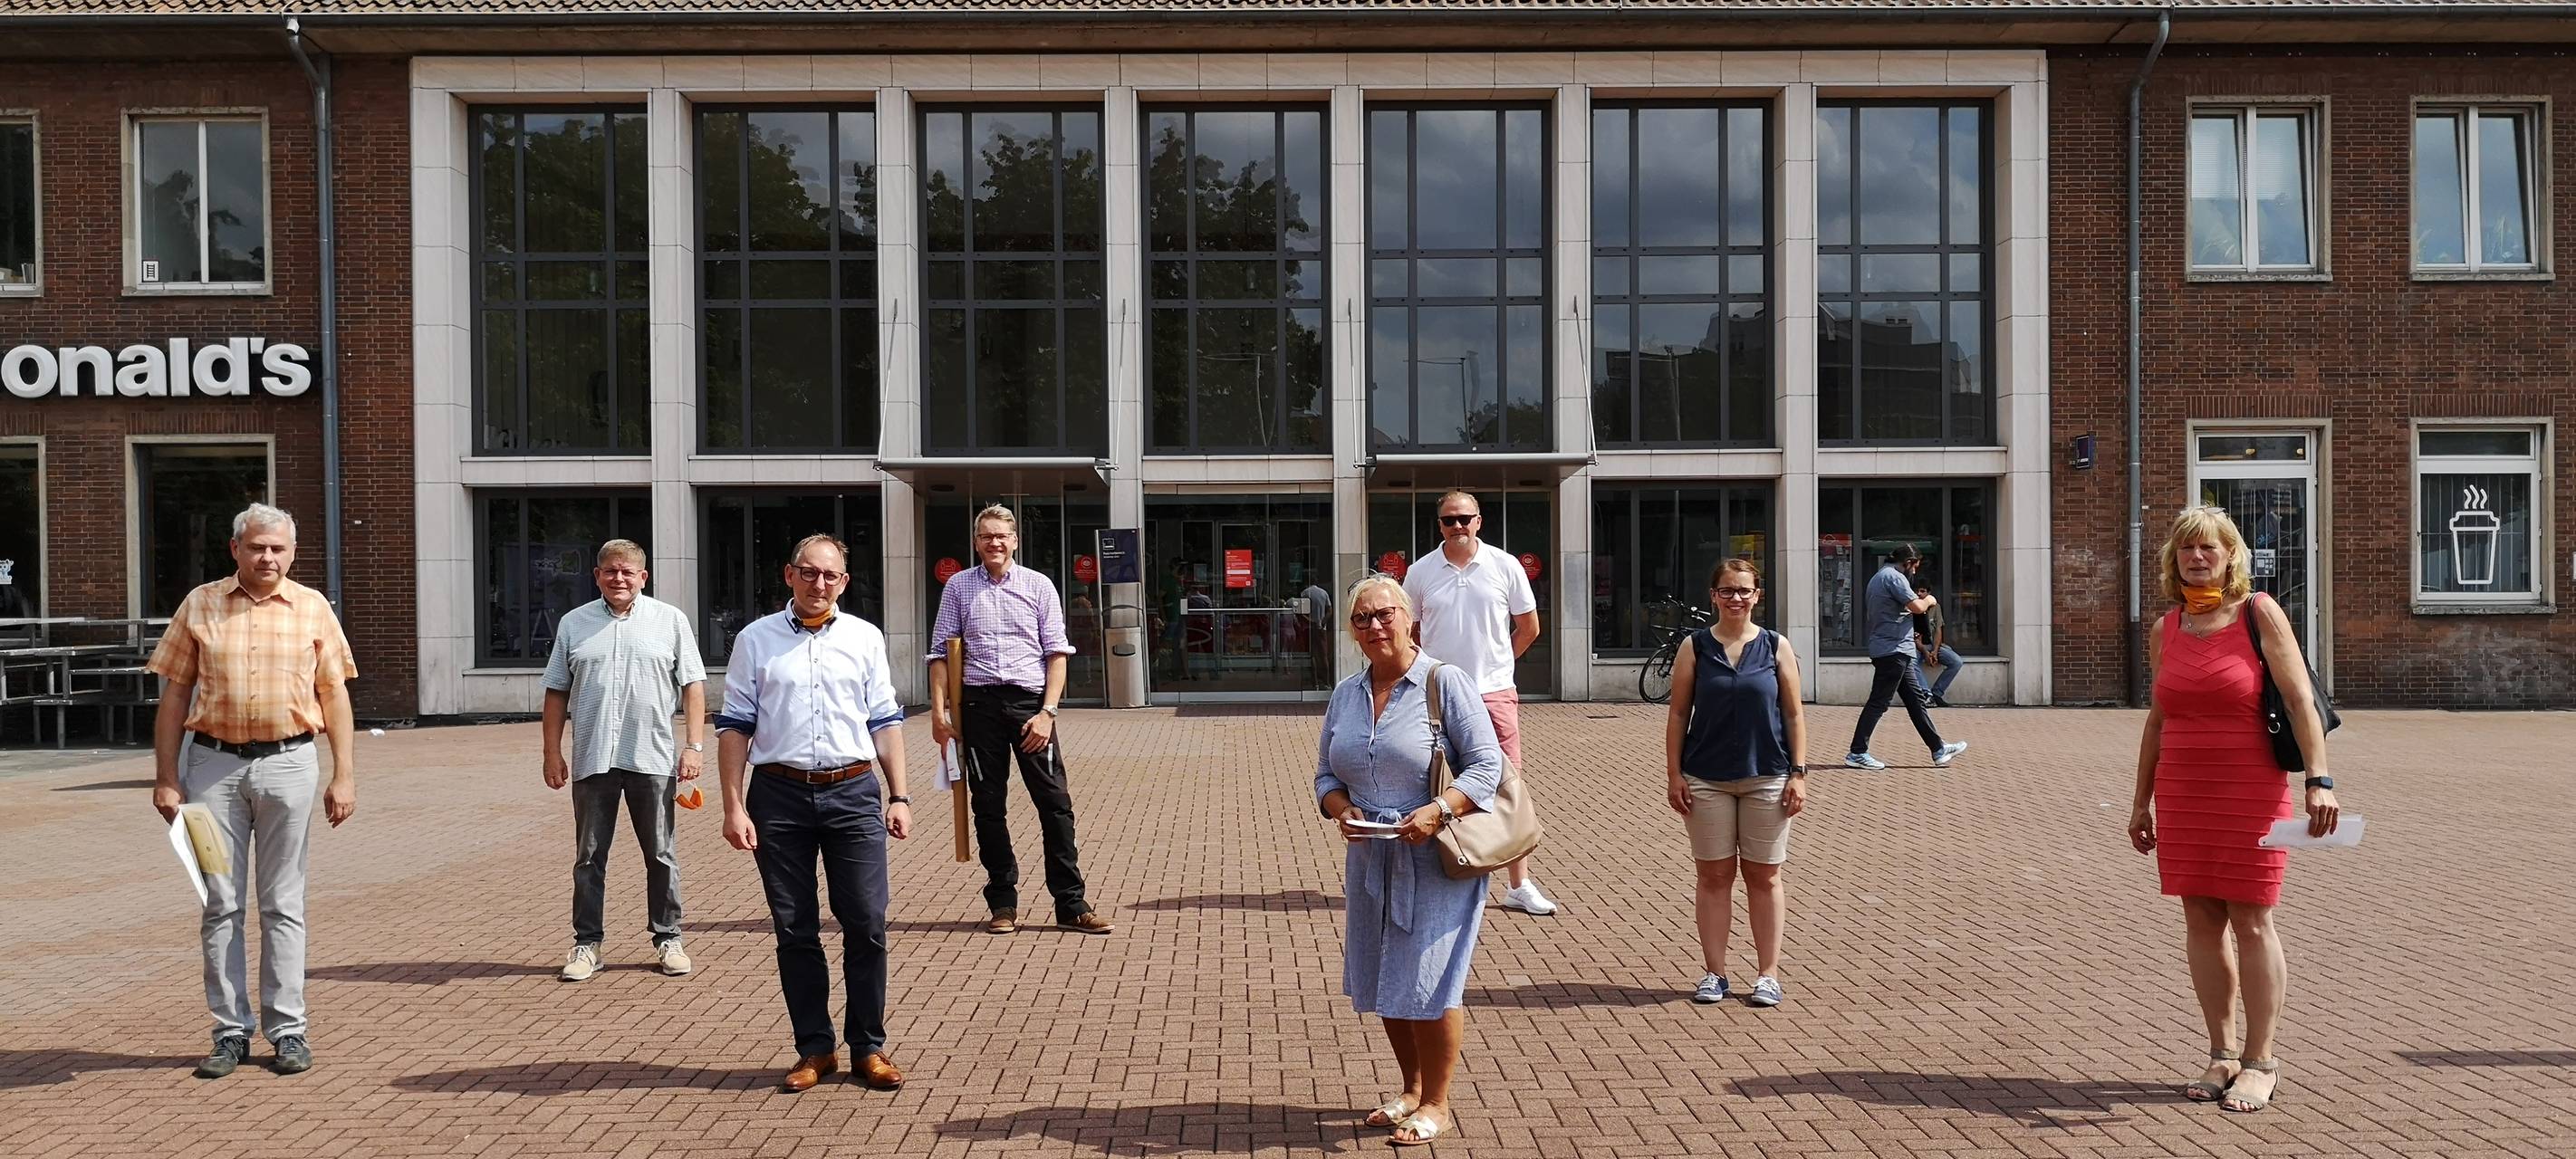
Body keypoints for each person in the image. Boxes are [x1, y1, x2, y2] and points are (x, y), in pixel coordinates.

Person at [2128, 506, 2340, 1115]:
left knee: (2252, 920)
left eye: (2210, 549)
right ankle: (2221, 1054)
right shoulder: (2166, 629)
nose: (2198, 557)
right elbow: (2158, 719)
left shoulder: (2257, 613)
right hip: (2185, 791)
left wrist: (2319, 780)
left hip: (2250, 789)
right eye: (2188, 549)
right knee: (2200, 921)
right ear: (2174, 560)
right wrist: (2141, 800)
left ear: (2231, 556)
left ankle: (2261, 1061)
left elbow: (2301, 701)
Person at [147, 503, 358, 1079]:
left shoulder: (313, 608)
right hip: (212, 771)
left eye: (279, 549)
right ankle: (230, 1031)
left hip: (290, 767)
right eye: (258, 547)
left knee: (283, 902)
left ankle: (288, 1030)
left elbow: (334, 695)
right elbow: (173, 698)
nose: (268, 558)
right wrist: (167, 777)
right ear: (235, 549)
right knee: (221, 902)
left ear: (292, 554)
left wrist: (344, 774)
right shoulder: (200, 604)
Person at [715, 533, 915, 1094]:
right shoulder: (756, 640)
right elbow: (735, 726)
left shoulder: (865, 638)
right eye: (808, 572)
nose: (818, 583)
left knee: (867, 923)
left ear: (844, 582)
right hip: (778, 798)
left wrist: (898, 795)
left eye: (829, 575)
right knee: (795, 928)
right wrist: (733, 806)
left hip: (853, 794)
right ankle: (815, 1049)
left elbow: (884, 720)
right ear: (789, 575)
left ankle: (868, 1048)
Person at [1315, 574, 1504, 1147]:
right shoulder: (1346, 693)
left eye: (1384, 614)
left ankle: (1439, 1103)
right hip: (1372, 856)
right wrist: (1340, 808)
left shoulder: (1444, 683)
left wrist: (1439, 810)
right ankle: (1411, 1089)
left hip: (1437, 858)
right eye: (1362, 619)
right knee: (1386, 976)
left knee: (1430, 978)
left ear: (1408, 617)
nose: (1375, 626)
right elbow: (1325, 772)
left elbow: (1487, 766)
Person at [928, 504, 1111, 936]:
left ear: (1015, 541)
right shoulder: (958, 587)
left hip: (1031, 708)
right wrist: (939, 713)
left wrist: (1048, 713)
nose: (994, 543)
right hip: (977, 707)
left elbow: (1057, 655)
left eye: (1001, 536)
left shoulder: (1038, 586)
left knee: (1055, 805)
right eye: (986, 536)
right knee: (988, 806)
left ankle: (1071, 905)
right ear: (976, 542)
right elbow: (940, 654)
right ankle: (1003, 903)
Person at [539, 539, 707, 982]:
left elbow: (692, 685)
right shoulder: (575, 624)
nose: (619, 579)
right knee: (589, 856)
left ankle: (668, 937)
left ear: (643, 577)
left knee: (660, 853)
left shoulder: (670, 621)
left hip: (651, 756)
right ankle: (586, 944)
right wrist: (551, 751)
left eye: (628, 572)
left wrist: (693, 746)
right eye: (610, 571)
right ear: (597, 575)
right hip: (593, 757)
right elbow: (556, 690)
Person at [1663, 559, 1808, 1008]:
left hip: (1768, 775)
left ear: (1757, 595)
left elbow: (1793, 713)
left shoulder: (1776, 646)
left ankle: (1768, 974)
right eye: (1727, 591)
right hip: (1705, 778)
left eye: (1744, 591)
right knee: (1713, 876)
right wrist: (1674, 774)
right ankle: (1715, 973)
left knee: (1764, 877)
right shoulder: (1695, 647)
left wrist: (1799, 773)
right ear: (1713, 596)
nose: (1736, 599)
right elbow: (1677, 713)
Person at [1402, 491, 1553, 916]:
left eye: (1465, 518)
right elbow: (1409, 631)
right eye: (1449, 520)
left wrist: (1499, 665)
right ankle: (1434, 874)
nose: (1458, 526)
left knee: (1507, 786)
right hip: (1437, 696)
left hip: (1494, 692)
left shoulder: (1504, 566)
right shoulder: (1420, 572)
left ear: (1479, 521)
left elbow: (1529, 627)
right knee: (1431, 783)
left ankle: (1518, 884)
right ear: (1439, 525)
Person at [1842, 542, 1967, 771]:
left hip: (1898, 650)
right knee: (1879, 702)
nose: (1915, 572)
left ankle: (1938, 749)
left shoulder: (1881, 576)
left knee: (1916, 702)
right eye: (1915, 566)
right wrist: (1930, 600)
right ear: (1907, 563)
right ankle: (1857, 752)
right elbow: (1918, 606)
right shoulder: (1894, 577)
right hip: (1893, 651)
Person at [1909, 578, 1965, 708]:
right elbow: (1914, 637)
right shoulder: (1911, 608)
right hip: (1917, 647)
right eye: (1916, 591)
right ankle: (1926, 694)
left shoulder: (1935, 607)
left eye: (1922, 591)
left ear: (1928, 593)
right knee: (1911, 663)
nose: (1919, 594)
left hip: (1933, 646)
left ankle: (1937, 694)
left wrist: (1934, 651)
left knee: (1956, 662)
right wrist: (1925, 652)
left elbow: (1939, 630)